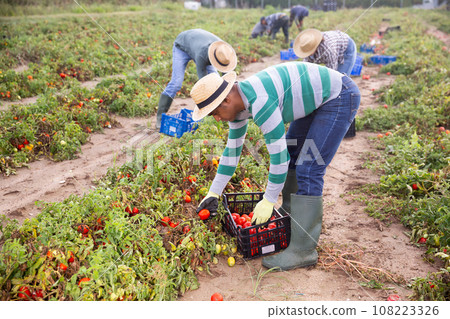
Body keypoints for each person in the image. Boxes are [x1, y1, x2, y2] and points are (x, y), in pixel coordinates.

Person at [191, 61, 360, 271]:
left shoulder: (260, 102)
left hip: (339, 96)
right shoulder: (238, 106)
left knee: (309, 166)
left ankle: (303, 250)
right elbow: (232, 152)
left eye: (214, 113)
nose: (217, 119)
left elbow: (279, 158)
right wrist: (213, 193)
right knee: (294, 150)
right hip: (317, 97)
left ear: (226, 99)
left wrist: (269, 199)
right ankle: (291, 214)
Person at [155, 29, 237, 129]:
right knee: (176, 83)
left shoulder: (226, 52)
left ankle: (219, 114)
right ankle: (160, 118)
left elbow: (226, 81)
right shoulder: (202, 55)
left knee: (217, 81)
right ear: (213, 58)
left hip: (197, 42)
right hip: (182, 46)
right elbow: (204, 83)